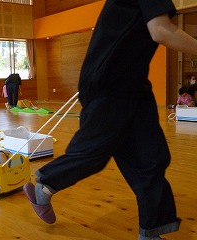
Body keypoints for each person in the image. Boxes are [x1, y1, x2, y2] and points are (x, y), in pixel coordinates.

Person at [23, 1, 197, 240]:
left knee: (151, 159)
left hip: (134, 88)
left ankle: (150, 233)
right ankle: (45, 185)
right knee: (93, 153)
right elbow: (161, 30)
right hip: (109, 85)